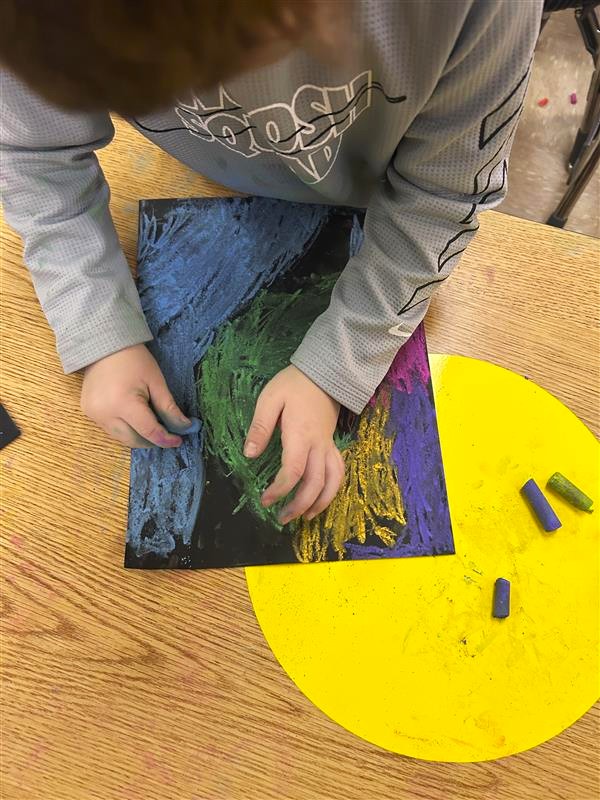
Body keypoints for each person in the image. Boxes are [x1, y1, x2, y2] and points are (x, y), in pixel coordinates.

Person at [0, 0, 542, 524]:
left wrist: (338, 363)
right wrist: (97, 324)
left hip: (383, 201)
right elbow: (32, 156)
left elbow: (443, 196)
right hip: (212, 183)